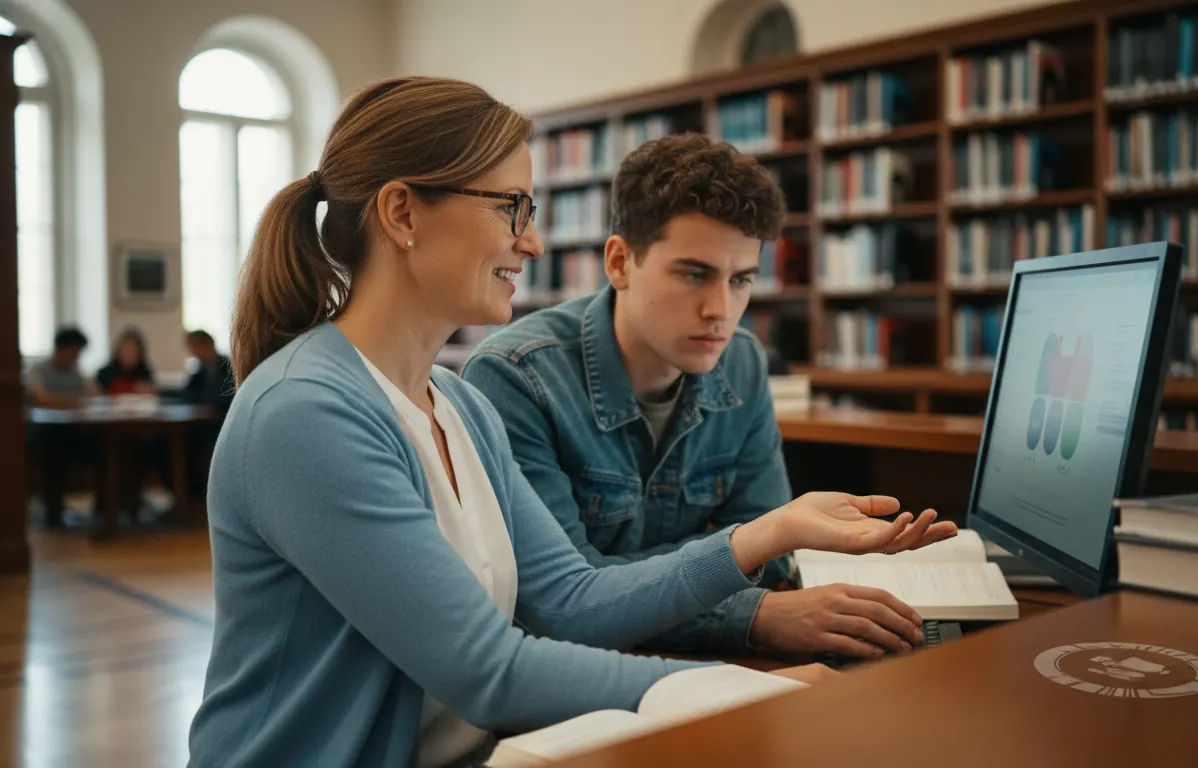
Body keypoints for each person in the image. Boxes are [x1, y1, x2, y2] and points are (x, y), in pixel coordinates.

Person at [187, 76, 955, 768]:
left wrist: (770, 532)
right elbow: (490, 671)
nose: (534, 240)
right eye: (510, 207)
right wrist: (732, 687)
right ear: (401, 213)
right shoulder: (306, 413)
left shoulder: (459, 405)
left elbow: (574, 600)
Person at [461, 133, 938, 659]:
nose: (721, 309)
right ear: (619, 262)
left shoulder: (744, 362)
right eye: (694, 274)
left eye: (741, 280)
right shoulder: (515, 378)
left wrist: (650, 580)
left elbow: (774, 554)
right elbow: (561, 604)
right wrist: (751, 612)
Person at [26, 326, 98, 527]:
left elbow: (93, 395)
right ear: (61, 349)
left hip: (73, 431)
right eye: (74, 353)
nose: (76, 358)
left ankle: (105, 509)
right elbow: (40, 398)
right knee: (53, 451)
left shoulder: (76, 372)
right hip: (43, 434)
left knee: (104, 445)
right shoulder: (39, 370)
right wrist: (72, 401)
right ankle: (53, 512)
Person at [182, 329, 235, 417]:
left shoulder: (228, 367)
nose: (194, 352)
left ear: (209, 344)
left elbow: (224, 397)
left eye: (196, 346)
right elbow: (187, 394)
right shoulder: (200, 372)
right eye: (191, 348)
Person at [96, 326, 156, 395]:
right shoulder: (105, 373)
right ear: (119, 351)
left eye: (133, 350)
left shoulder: (145, 372)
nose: (129, 354)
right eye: (126, 349)